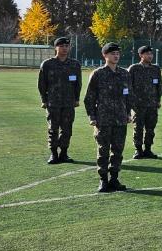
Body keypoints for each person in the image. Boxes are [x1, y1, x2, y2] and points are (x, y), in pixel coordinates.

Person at [84, 43, 132, 193]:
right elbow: (89, 98)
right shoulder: (98, 74)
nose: (116, 56)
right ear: (105, 55)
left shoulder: (125, 73)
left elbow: (129, 96)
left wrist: (128, 113)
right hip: (102, 119)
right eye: (112, 53)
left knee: (118, 151)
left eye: (117, 53)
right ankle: (103, 181)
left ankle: (114, 179)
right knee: (103, 151)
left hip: (120, 119)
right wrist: (92, 116)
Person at [37, 36, 81, 164]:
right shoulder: (47, 64)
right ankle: (53, 154)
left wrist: (76, 98)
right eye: (61, 46)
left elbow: (78, 83)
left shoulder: (74, 64)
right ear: (56, 48)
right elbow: (42, 84)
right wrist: (44, 100)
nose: (64, 49)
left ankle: (64, 153)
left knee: (67, 129)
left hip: (69, 102)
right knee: (53, 129)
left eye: (67, 46)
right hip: (53, 102)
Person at [128, 45, 162, 159]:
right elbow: (129, 86)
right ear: (141, 55)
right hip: (138, 105)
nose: (150, 56)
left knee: (150, 129)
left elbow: (159, 86)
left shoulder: (155, 69)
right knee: (138, 128)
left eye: (151, 54)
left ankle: (148, 149)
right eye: (147, 54)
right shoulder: (134, 68)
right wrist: (132, 103)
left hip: (152, 104)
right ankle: (138, 150)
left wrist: (158, 100)